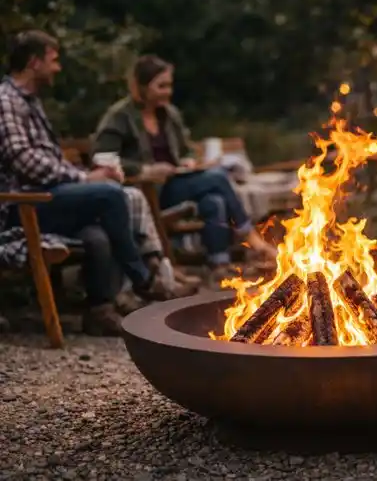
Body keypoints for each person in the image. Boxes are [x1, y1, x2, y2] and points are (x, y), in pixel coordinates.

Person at [0, 30, 175, 334]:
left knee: (97, 234)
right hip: (21, 206)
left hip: (44, 197)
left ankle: (99, 310)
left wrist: (85, 172)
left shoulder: (30, 102)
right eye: (53, 61)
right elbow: (22, 159)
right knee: (109, 194)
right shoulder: (6, 101)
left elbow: (45, 159)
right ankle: (142, 278)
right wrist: (84, 178)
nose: (58, 68)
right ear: (33, 62)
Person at [93, 54, 278, 281]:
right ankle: (253, 240)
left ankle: (219, 264)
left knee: (214, 201)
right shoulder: (120, 116)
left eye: (169, 85)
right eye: (161, 86)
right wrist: (145, 170)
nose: (167, 92)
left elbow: (186, 149)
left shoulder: (169, 115)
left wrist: (187, 161)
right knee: (218, 178)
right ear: (141, 86)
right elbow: (102, 157)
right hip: (146, 192)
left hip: (174, 185)